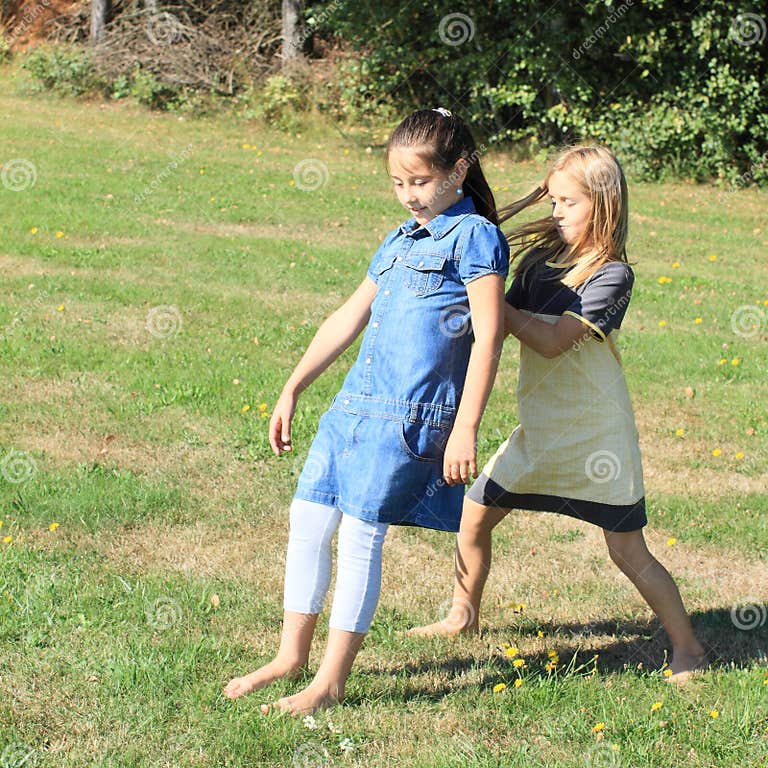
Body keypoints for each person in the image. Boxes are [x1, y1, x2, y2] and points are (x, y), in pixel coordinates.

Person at [223, 108, 510, 713]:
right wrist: (294, 386)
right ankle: (289, 655)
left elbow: (489, 336)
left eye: (421, 182)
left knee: (359, 537)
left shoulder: (477, 237)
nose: (409, 195)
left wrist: (466, 427)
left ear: (458, 170)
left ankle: (329, 682)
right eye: (399, 183)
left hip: (409, 419)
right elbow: (348, 316)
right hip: (351, 410)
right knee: (308, 524)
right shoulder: (399, 239)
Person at [408, 145, 707, 681]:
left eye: (569, 201)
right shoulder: (539, 262)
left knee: (626, 550)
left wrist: (495, 302)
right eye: (553, 200)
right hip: (540, 429)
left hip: (597, 436)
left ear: (604, 204)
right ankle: (464, 616)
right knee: (473, 515)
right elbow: (490, 325)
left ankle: (688, 647)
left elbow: (550, 341)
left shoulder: (612, 275)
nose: (557, 211)